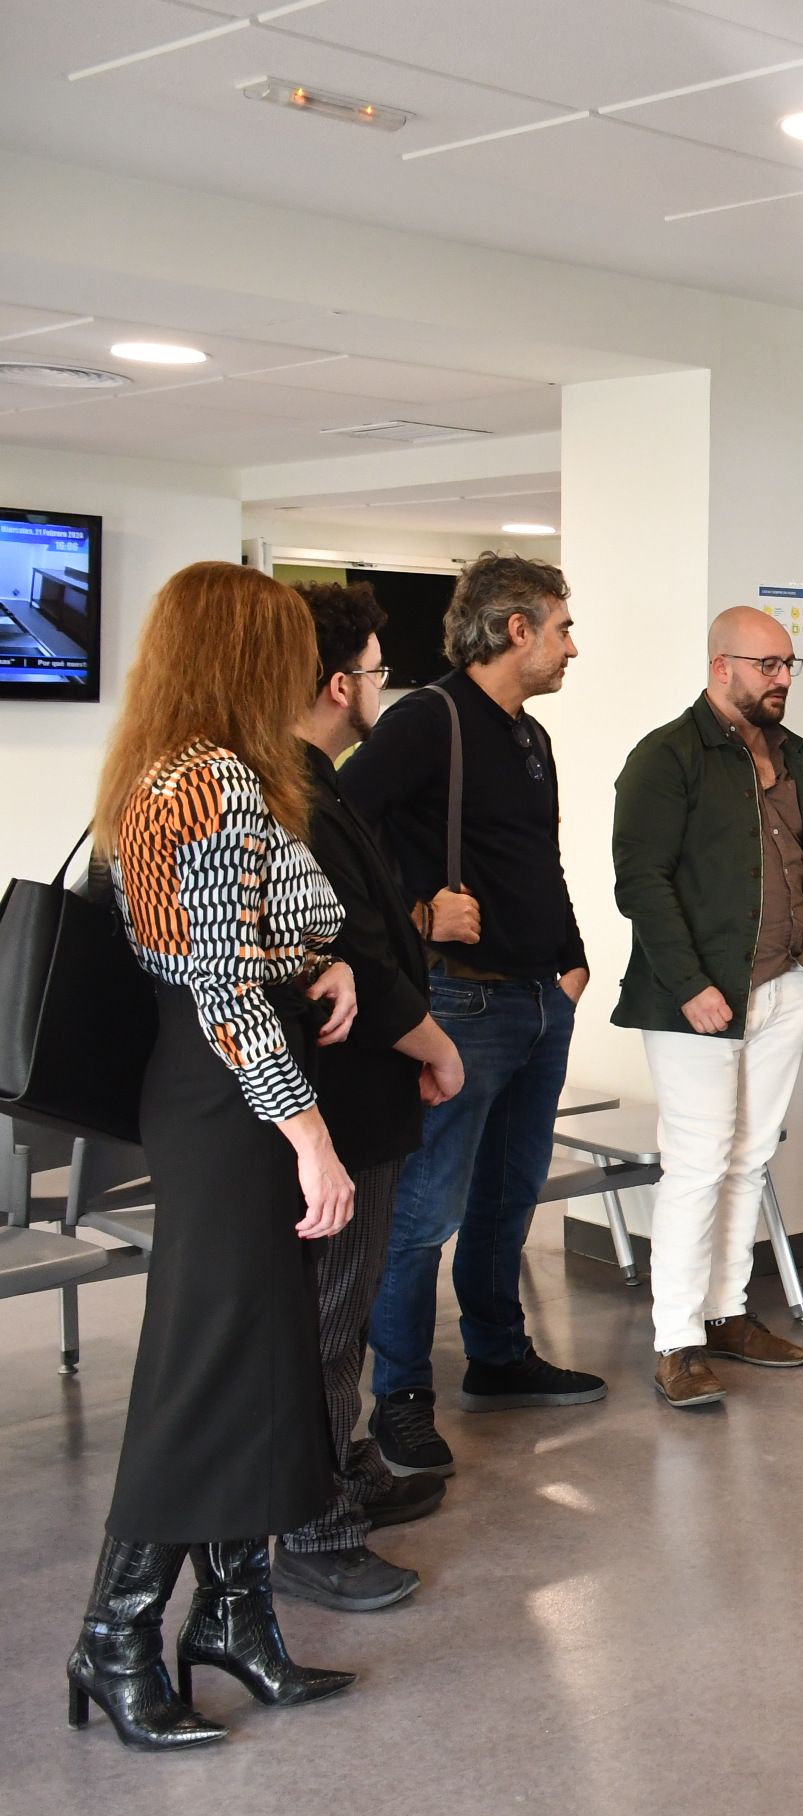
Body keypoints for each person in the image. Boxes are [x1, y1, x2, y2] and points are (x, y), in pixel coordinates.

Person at [71, 562, 360, 1751]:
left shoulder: (209, 772)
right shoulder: (206, 782)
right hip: (231, 1100)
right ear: (245, 654)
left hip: (230, 1085)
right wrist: (311, 1137)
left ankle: (236, 1617)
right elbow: (223, 989)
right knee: (202, 1372)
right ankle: (118, 1629)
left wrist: (326, 960)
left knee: (255, 1366)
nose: (304, 669)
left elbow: (251, 942)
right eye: (286, 645)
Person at [340, 552, 603, 1479]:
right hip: (460, 1001)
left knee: (506, 1198)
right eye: (563, 627)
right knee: (423, 1211)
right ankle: (402, 1396)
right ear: (515, 628)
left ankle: (497, 1356)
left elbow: (540, 858)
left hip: (538, 1001)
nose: (573, 645)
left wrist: (572, 960)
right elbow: (334, 831)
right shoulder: (428, 720)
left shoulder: (528, 737)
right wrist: (416, 911)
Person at [272, 583, 468, 1615]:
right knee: (329, 1320)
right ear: (341, 683)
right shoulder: (291, 795)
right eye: (382, 670)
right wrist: (436, 1041)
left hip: (361, 1099)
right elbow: (348, 949)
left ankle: (344, 1471)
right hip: (343, 1101)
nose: (382, 689)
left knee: (334, 1316)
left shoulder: (317, 782)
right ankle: (314, 1528)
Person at [612, 607, 803, 1410]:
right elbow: (641, 882)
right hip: (698, 1000)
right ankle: (675, 1340)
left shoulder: (795, 756)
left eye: (789, 664)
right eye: (767, 664)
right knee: (699, 1161)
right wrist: (688, 985)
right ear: (722, 667)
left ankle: (727, 1312)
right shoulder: (666, 756)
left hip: (786, 986)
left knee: (749, 1156)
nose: (782, 678)